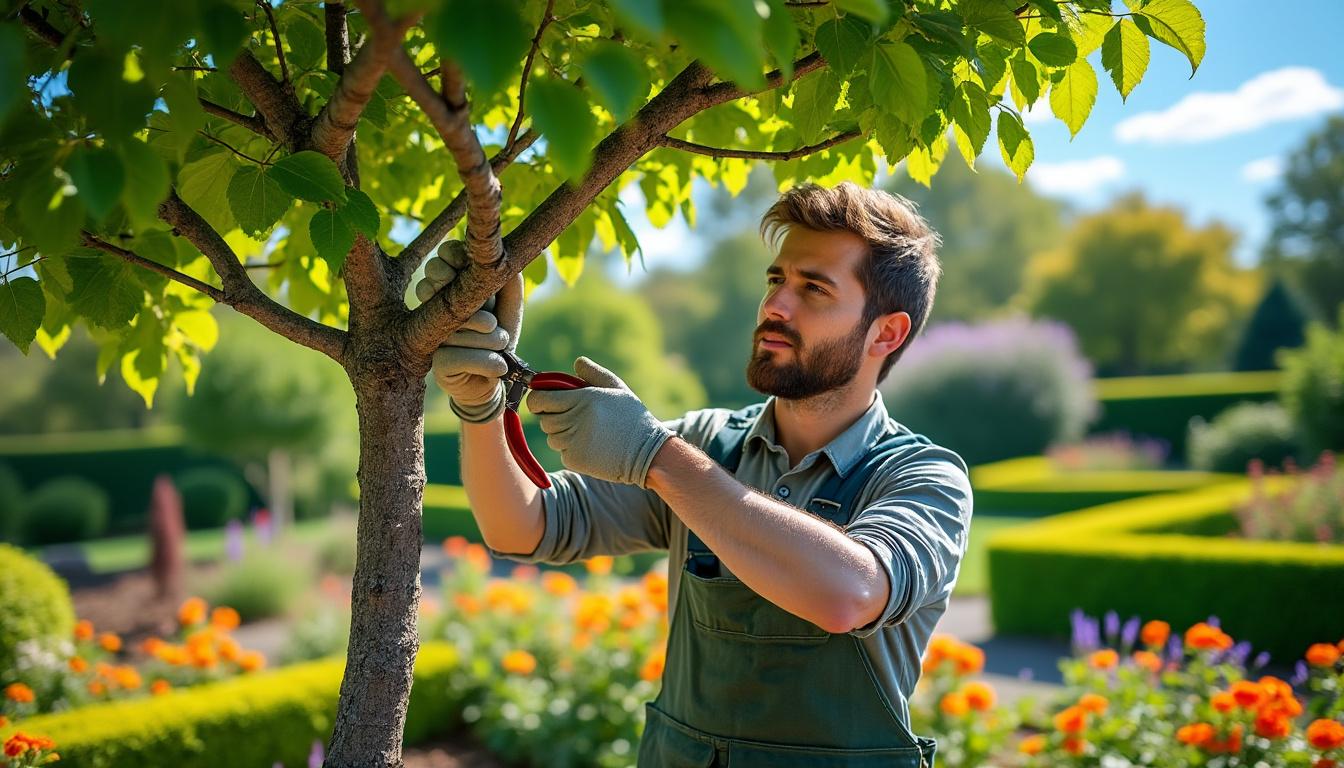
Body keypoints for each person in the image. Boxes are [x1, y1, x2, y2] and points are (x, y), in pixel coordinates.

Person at [422, 182, 973, 767]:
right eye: (775, 281)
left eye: (813, 289)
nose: (775, 307)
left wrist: (658, 457)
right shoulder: (708, 443)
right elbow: (524, 528)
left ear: (886, 333)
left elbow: (850, 595)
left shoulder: (923, 477)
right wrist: (479, 407)